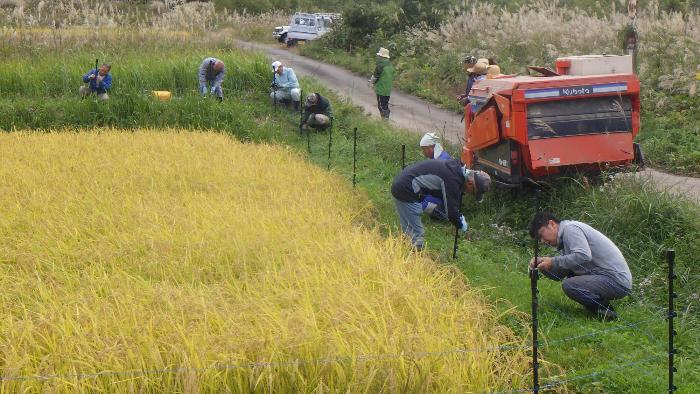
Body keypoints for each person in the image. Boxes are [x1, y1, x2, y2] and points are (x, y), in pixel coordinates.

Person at [528, 212, 633, 321]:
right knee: (570, 277)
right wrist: (542, 264)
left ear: (552, 224)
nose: (542, 242)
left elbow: (583, 255)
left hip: (616, 281)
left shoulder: (570, 229)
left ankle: (607, 314)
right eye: (539, 240)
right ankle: (601, 309)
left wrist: (553, 261)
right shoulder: (565, 238)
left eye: (541, 235)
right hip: (607, 279)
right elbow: (558, 275)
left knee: (570, 285)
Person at [391, 159, 491, 250]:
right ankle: (412, 260)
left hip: (406, 185)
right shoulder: (452, 179)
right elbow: (451, 212)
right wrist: (460, 223)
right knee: (416, 234)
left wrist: (457, 213)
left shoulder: (457, 170)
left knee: (410, 229)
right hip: (405, 189)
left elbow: (450, 197)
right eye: (473, 192)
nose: (471, 194)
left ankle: (402, 251)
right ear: (470, 183)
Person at [419, 132, 452, 221]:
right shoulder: (439, 157)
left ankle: (445, 215)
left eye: (424, 149)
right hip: (439, 193)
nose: (423, 152)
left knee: (424, 204)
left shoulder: (442, 161)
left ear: (431, 147)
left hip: (444, 197)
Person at [369, 47, 394, 120]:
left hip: (381, 89)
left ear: (381, 56)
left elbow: (375, 76)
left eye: (379, 56)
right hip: (388, 89)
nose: (378, 57)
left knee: (381, 106)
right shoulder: (390, 65)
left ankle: (385, 120)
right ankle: (385, 118)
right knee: (385, 104)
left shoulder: (380, 65)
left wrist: (371, 82)